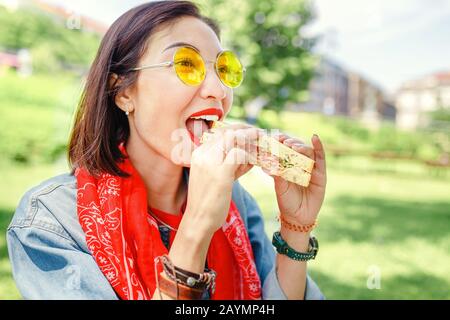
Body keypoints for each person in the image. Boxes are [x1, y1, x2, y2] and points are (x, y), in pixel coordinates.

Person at [7, 1, 326, 300]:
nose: (218, 91)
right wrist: (197, 226)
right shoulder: (50, 221)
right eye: (187, 65)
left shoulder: (237, 203)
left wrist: (295, 228)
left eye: (224, 69)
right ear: (123, 92)